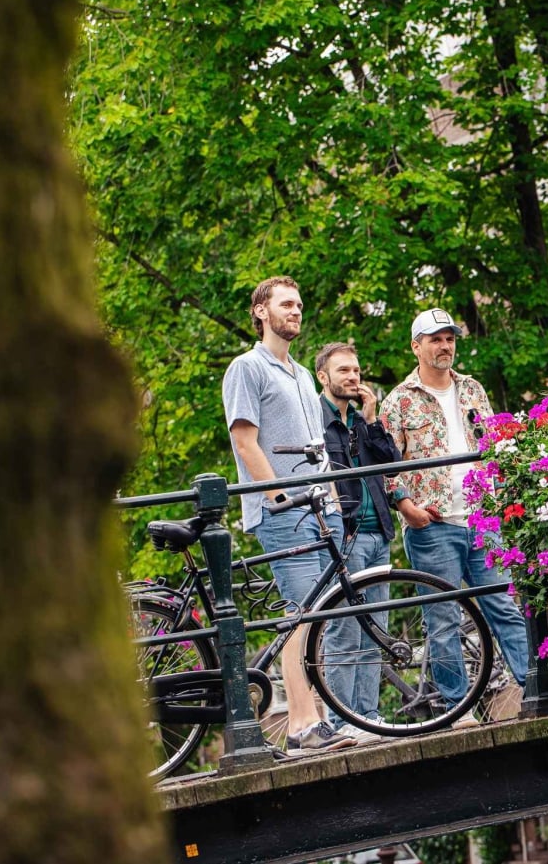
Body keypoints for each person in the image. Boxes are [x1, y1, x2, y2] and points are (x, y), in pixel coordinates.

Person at [221, 276, 352, 752]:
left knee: (318, 617)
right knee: (299, 614)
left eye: (299, 304)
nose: (296, 311)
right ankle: (300, 726)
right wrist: (277, 498)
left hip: (320, 508)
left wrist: (334, 498)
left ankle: (319, 718)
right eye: (286, 305)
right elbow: (243, 440)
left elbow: (317, 448)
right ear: (260, 311)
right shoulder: (246, 368)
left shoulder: (299, 374)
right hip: (283, 512)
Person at [380, 309, 528, 723]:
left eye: (449, 338)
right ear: (416, 346)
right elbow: (383, 463)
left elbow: (495, 444)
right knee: (443, 621)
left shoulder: (473, 389)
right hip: (434, 525)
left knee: (505, 609)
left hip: (483, 521)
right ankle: (457, 710)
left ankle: (535, 689)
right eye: (435, 339)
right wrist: (405, 507)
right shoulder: (399, 400)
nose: (444, 346)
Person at [315, 340, 402, 742]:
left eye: (356, 370)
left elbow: (392, 462)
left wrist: (371, 420)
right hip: (343, 535)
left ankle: (368, 716)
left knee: (375, 629)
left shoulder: (360, 421)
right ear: (323, 376)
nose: (352, 377)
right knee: (344, 631)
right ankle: (340, 720)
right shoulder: (315, 418)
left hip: (378, 531)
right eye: (343, 371)